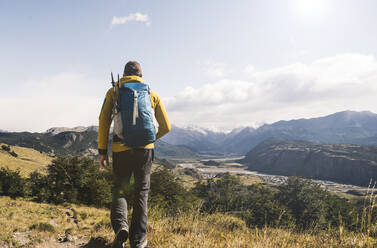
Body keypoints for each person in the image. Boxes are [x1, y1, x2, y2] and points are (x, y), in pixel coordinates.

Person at [98, 61, 171, 248]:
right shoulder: (151, 94)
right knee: (141, 193)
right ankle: (138, 240)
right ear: (141, 75)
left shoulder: (114, 92)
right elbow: (166, 127)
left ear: (124, 74)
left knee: (120, 190)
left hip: (121, 149)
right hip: (145, 151)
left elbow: (103, 120)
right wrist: (149, 140)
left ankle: (121, 227)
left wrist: (102, 152)